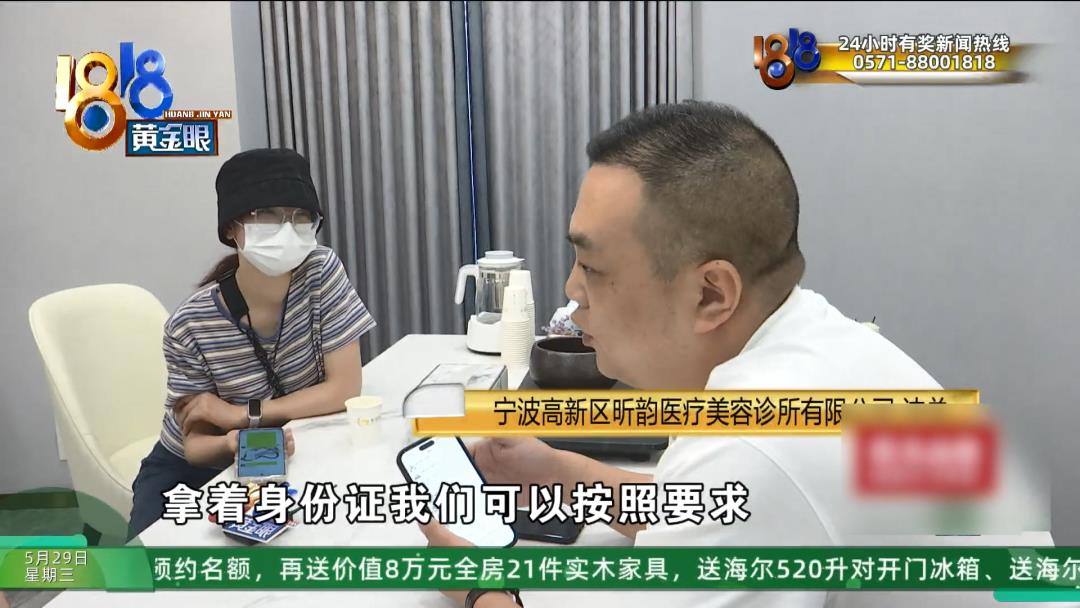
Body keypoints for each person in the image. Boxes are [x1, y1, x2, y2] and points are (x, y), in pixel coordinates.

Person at [418, 101, 995, 608]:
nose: (573, 290)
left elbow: (744, 488)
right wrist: (560, 473)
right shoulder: (813, 337)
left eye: (592, 266)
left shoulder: (753, 445)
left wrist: (482, 588)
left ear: (711, 294)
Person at [129, 148, 376, 539]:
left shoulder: (321, 271)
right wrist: (231, 439)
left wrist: (242, 415)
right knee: (147, 571)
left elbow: (345, 388)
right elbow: (194, 446)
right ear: (231, 228)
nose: (287, 230)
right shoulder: (191, 324)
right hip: (191, 471)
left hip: (278, 450)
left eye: (301, 217)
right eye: (268, 216)